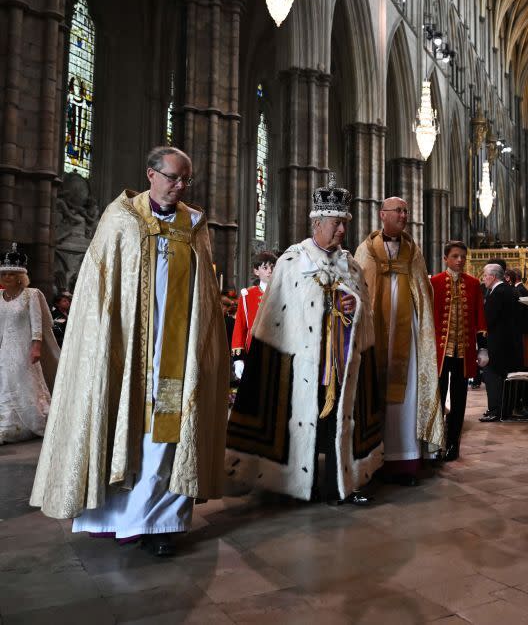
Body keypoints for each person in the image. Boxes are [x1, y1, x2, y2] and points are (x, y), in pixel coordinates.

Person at [31, 146, 229, 558]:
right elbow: (97, 293)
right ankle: (119, 518)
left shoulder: (194, 224)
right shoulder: (119, 219)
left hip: (175, 354)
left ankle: (161, 524)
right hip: (126, 351)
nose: (179, 186)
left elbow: (205, 298)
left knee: (168, 434)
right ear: (151, 174)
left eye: (185, 180)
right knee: (125, 426)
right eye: (173, 177)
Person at [226, 176, 377, 506]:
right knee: (301, 423)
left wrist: (354, 307)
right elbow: (275, 318)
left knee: (339, 424)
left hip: (340, 364)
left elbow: (365, 314)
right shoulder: (292, 262)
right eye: (337, 224)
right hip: (300, 364)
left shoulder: (351, 266)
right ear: (319, 223)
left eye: (344, 225)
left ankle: (341, 485)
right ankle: (299, 484)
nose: (342, 231)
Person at [354, 197, 442, 485]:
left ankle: (405, 461)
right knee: (373, 388)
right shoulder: (365, 250)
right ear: (383, 215)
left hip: (408, 334)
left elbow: (423, 291)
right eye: (398, 211)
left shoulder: (413, 252)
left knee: (408, 396)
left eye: (406, 210)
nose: (404, 215)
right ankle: (372, 458)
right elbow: (356, 289)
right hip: (374, 332)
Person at [429, 240, 485, 462]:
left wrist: (483, 349)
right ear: (445, 258)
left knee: (460, 400)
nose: (459, 260)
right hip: (440, 353)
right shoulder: (434, 282)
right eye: (454, 256)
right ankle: (436, 443)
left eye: (462, 256)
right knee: (438, 398)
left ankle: (454, 444)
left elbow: (480, 317)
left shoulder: (473, 283)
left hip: (463, 353)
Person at [0, 244, 59, 444]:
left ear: (20, 276)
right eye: (4, 274)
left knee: (22, 382)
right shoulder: (0, 298)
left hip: (24, 348)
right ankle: (8, 425)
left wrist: (36, 346)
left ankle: (31, 422)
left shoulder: (31, 294)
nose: (7, 277)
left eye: (11, 274)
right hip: (4, 348)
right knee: (5, 382)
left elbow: (38, 323)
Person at [478, 263, 524, 422]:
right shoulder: (508, 289)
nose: (483, 279)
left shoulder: (498, 292)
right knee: (501, 377)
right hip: (509, 343)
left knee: (493, 376)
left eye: (484, 276)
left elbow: (488, 319)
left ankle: (495, 410)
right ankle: (501, 409)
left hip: (499, 344)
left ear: (492, 276)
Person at [231, 251, 277, 379]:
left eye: (273, 267)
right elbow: (240, 327)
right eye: (265, 267)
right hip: (253, 352)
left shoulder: (285, 294)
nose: (270, 271)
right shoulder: (247, 296)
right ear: (256, 271)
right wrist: (238, 359)